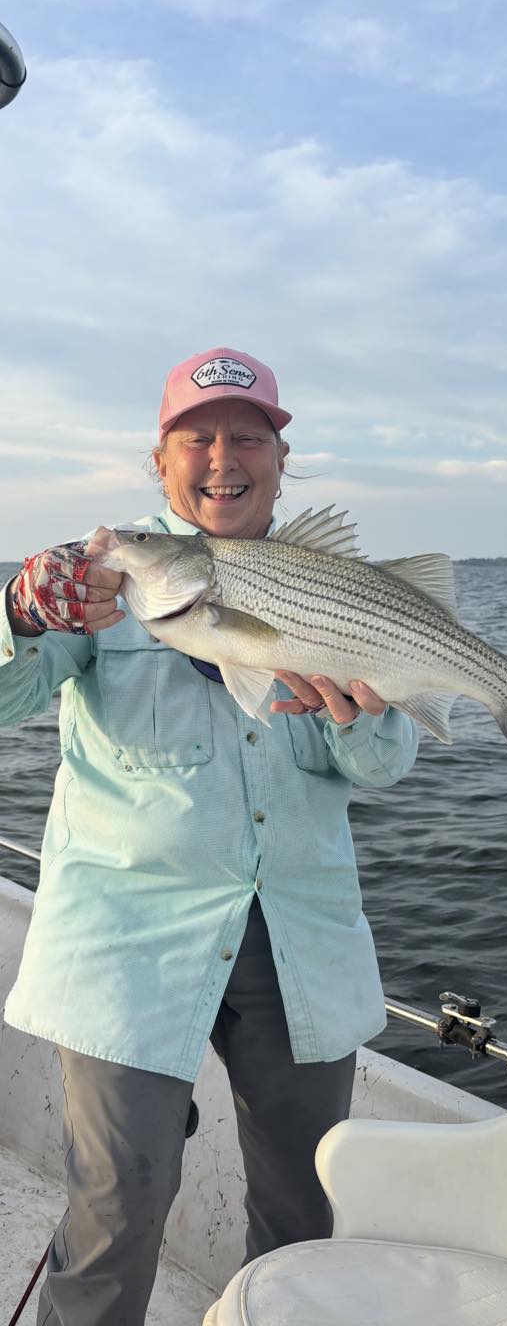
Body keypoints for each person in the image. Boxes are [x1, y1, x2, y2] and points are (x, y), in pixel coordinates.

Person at [0, 346, 419, 1326]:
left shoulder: (335, 587)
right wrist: (17, 609)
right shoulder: (101, 576)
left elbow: (381, 765)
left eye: (246, 437)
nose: (222, 458)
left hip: (297, 935)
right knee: (118, 1204)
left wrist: (356, 718)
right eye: (197, 438)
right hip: (127, 938)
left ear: (281, 459)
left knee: (304, 1209)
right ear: (160, 462)